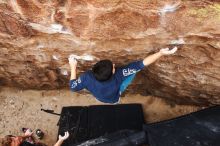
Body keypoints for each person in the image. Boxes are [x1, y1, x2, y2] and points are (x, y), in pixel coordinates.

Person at [69, 47, 178, 103]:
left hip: (100, 97)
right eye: (113, 66)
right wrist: (160, 53)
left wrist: (73, 66)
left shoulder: (86, 77)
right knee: (134, 70)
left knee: (132, 71)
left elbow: (73, 87)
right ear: (113, 72)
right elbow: (143, 63)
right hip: (114, 98)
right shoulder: (119, 75)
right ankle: (129, 77)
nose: (114, 65)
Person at [0, 130, 69, 146]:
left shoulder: (8, 138)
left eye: (14, 137)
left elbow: (19, 138)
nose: (17, 138)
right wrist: (60, 140)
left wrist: (26, 135)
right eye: (14, 141)